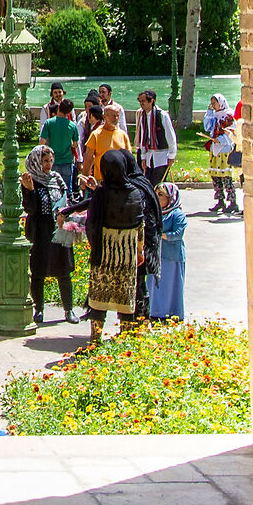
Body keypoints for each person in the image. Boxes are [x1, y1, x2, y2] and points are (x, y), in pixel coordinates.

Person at [78, 148, 161, 341]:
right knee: (126, 295)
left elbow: (91, 223)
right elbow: (140, 225)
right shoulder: (134, 193)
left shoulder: (101, 195)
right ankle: (125, 337)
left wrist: (94, 245)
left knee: (99, 296)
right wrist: (139, 250)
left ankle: (95, 339)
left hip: (104, 252)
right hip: (127, 252)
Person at [21, 139, 77, 323]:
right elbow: (30, 209)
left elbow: (67, 201)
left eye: (51, 161)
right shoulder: (30, 180)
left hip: (59, 229)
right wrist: (30, 191)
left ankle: (68, 310)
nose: (49, 165)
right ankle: (39, 309)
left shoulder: (57, 179)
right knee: (38, 271)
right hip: (40, 231)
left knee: (63, 270)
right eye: (45, 161)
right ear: (37, 161)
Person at [150, 180, 187, 320]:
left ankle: (172, 312)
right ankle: (155, 312)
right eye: (156, 194)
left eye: (161, 195)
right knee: (155, 285)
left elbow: (178, 234)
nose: (157, 197)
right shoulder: (156, 213)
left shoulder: (177, 214)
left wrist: (160, 235)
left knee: (171, 286)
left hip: (172, 256)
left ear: (170, 197)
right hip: (157, 255)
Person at [132, 91, 178, 188]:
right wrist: (143, 157)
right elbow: (143, 137)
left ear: (151, 101)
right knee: (148, 184)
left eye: (143, 101)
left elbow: (170, 136)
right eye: (140, 101)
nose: (141, 103)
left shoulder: (162, 115)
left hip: (162, 157)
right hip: (149, 156)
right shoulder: (143, 116)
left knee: (158, 185)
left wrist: (171, 156)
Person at [205, 96, 240, 215]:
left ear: (221, 103)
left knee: (226, 176)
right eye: (212, 103)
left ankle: (232, 202)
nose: (213, 105)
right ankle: (220, 200)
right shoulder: (215, 116)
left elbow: (232, 133)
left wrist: (220, 139)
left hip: (224, 149)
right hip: (215, 149)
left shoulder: (228, 116)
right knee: (215, 176)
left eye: (215, 103)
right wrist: (209, 112)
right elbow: (207, 127)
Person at [82, 101, 129, 177]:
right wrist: (85, 177)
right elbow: (88, 158)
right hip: (101, 179)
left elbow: (129, 158)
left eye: (117, 115)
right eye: (113, 116)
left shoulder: (123, 135)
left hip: (120, 179)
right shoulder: (96, 135)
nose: (116, 118)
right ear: (104, 117)